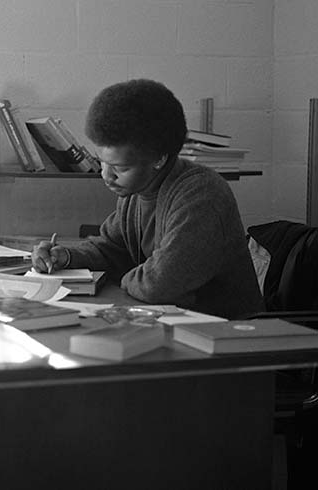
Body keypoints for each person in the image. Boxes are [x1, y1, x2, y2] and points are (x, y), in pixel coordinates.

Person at [32, 79, 263, 319]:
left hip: (221, 338)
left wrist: (122, 275)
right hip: (169, 325)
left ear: (159, 159)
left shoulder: (202, 196)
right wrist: (66, 257)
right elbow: (111, 250)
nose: (106, 176)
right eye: (101, 162)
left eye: (119, 168)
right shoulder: (136, 192)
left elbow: (159, 284)